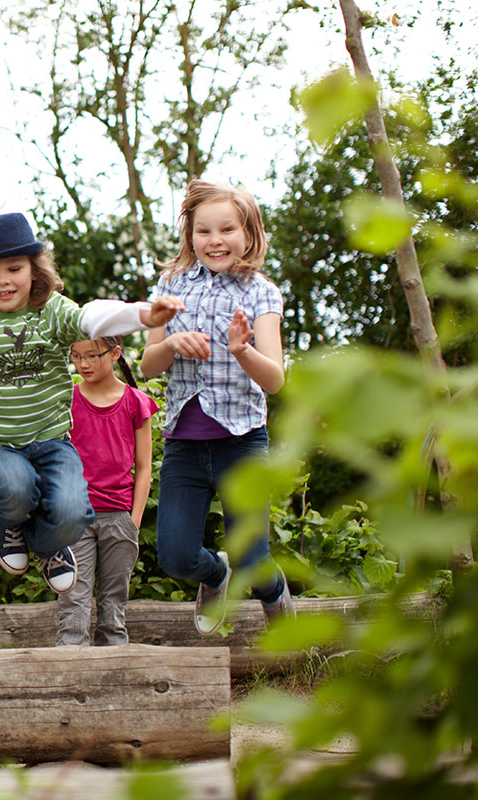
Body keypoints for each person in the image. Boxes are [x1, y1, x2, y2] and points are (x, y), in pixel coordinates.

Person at [0, 211, 182, 594]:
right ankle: (8, 519)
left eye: (13, 268)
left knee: (71, 513)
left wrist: (141, 314)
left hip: (52, 442)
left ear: (34, 269)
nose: (2, 281)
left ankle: (50, 547)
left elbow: (92, 319)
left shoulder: (52, 310)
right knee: (15, 487)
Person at [139, 179, 295, 635]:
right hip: (185, 445)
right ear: (190, 235)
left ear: (248, 232)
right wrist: (171, 343)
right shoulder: (170, 286)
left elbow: (276, 378)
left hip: (242, 443)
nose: (215, 240)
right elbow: (149, 367)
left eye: (227, 229)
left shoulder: (261, 292)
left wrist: (242, 350)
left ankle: (272, 590)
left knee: (253, 558)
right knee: (174, 556)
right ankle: (215, 575)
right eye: (204, 231)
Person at [56, 336, 158, 646]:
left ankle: (114, 674)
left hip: (120, 517)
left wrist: (134, 521)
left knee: (114, 604)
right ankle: (68, 672)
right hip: (75, 517)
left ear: (115, 354)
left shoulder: (136, 403)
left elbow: (144, 469)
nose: (83, 364)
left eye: (91, 355)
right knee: (73, 599)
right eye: (75, 356)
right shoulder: (66, 400)